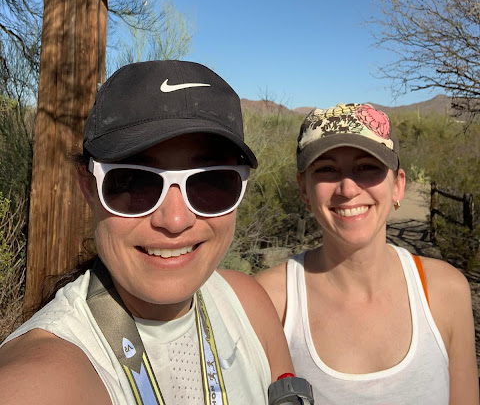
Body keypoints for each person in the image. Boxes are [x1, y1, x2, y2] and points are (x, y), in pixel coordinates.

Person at [0, 60, 295, 405]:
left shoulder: (249, 305)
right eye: (134, 181)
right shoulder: (42, 378)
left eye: (210, 181)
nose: (174, 220)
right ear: (88, 186)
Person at [256, 102, 479, 405]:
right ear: (304, 190)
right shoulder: (267, 301)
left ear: (398, 185)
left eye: (367, 167)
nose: (348, 188)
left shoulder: (445, 291)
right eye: (326, 169)